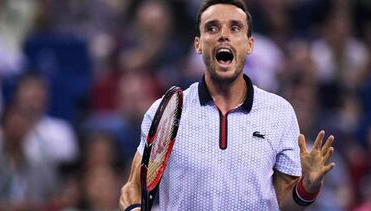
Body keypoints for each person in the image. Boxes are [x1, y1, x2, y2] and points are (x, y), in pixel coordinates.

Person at [119, 0, 336, 210]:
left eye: (235, 28)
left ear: (249, 44)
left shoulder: (279, 113)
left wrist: (307, 187)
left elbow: (284, 202)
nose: (223, 35)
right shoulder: (166, 111)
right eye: (212, 28)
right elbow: (133, 188)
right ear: (198, 44)